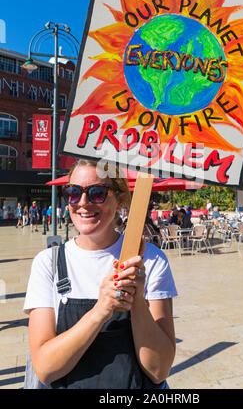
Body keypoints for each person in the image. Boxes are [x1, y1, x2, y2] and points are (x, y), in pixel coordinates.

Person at [23, 159, 177, 389]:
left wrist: (136, 300)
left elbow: (159, 370)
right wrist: (100, 311)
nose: (83, 203)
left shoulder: (151, 260)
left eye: (97, 193)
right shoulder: (48, 263)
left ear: (120, 200)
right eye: (73, 192)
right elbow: (45, 369)